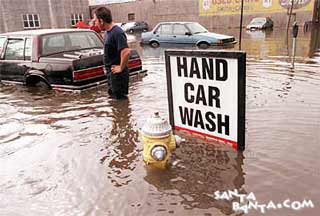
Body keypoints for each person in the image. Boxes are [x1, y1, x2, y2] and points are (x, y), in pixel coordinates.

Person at [93, 7, 130, 100]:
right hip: (111, 73)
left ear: (101, 21)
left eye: (95, 21)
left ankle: (123, 114)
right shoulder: (107, 33)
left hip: (118, 75)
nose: (95, 23)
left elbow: (126, 51)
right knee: (113, 99)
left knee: (120, 101)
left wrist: (121, 67)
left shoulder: (117, 32)